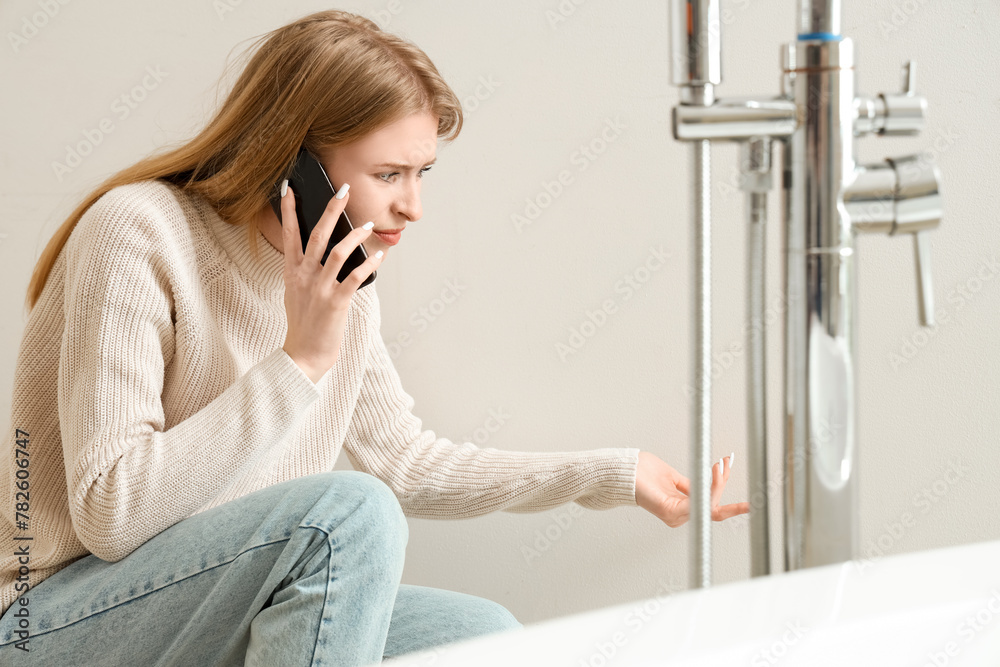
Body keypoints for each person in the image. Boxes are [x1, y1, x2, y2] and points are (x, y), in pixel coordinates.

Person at [0, 9, 747, 666]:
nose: (413, 205)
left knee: (485, 633)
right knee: (346, 515)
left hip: (212, 600)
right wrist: (301, 360)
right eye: (390, 173)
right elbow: (111, 510)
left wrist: (615, 473)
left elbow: (408, 463)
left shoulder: (341, 285)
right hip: (45, 621)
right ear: (294, 161)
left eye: (422, 172)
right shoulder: (138, 233)